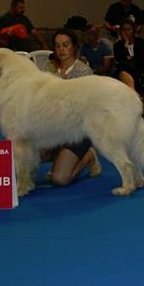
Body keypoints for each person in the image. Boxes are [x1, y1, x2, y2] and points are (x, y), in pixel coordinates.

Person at [42, 28, 100, 186]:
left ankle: (88, 156)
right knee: (28, 153)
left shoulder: (84, 72)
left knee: (59, 179)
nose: (61, 49)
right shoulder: (47, 69)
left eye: (65, 45)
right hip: (51, 130)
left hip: (77, 133)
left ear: (74, 47)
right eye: (57, 45)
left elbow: (86, 110)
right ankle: (59, 158)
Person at [113, 18, 144, 97]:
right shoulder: (117, 46)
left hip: (141, 71)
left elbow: (142, 60)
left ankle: (133, 96)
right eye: (123, 29)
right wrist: (126, 46)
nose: (126, 32)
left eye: (128, 29)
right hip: (125, 71)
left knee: (127, 71)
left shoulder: (141, 42)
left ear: (133, 31)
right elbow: (121, 61)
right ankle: (134, 95)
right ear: (120, 31)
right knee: (122, 71)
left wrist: (129, 59)